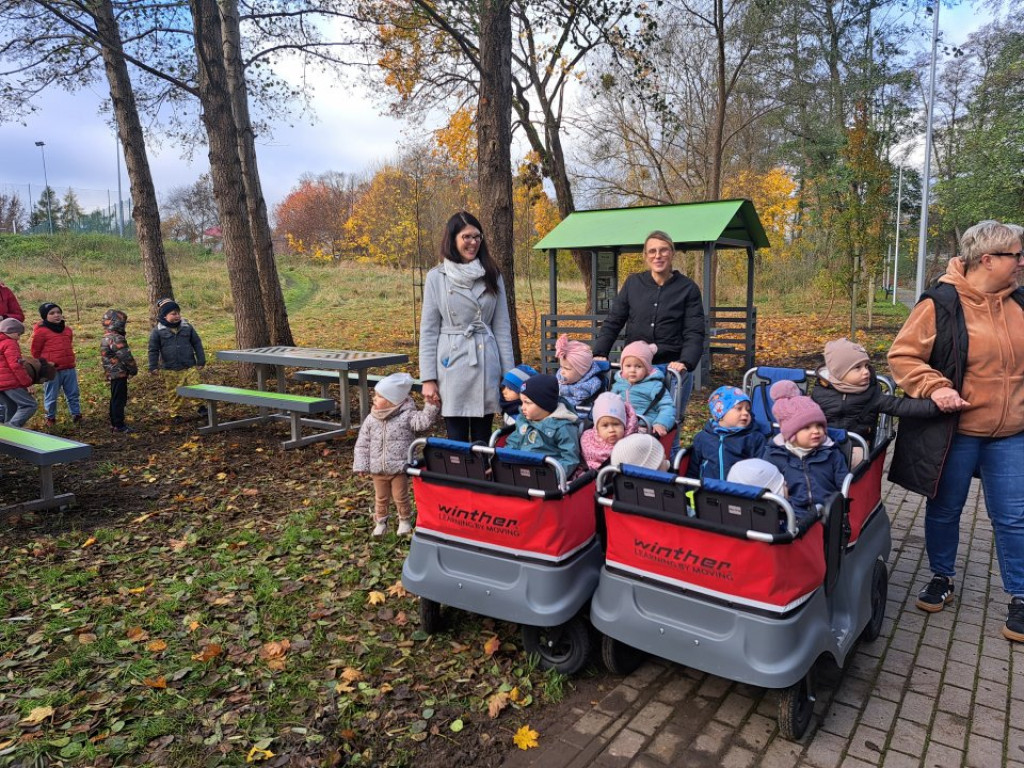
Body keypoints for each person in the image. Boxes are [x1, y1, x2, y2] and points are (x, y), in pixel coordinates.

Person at [887, 220, 1024, 642]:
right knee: (945, 509)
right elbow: (903, 356)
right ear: (987, 259)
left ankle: (1019, 597)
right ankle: (941, 577)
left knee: (1014, 517)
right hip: (957, 431)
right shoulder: (941, 302)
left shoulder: (1021, 301)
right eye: (1015, 255)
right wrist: (937, 387)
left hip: (1012, 431)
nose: (1021, 262)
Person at [419, 211, 515, 443]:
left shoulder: (492, 274)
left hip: (486, 360)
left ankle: (482, 476)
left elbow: (502, 328)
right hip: (452, 364)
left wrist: (510, 377)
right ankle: (458, 479)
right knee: (456, 439)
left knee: (484, 437)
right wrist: (428, 379)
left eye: (477, 236)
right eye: (466, 237)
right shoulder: (436, 277)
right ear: (453, 239)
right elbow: (429, 330)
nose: (473, 242)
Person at [593, 230, 705, 412]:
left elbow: (694, 330)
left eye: (663, 250)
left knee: (669, 425)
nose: (658, 256)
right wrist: (600, 352)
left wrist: (686, 361)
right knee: (632, 421)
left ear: (672, 253)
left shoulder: (688, 288)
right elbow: (614, 320)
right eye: (652, 251)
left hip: (672, 367)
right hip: (636, 368)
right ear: (645, 256)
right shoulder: (633, 283)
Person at [811, 337, 937, 451]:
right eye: (858, 368)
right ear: (839, 372)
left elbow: (901, 406)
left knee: (856, 455)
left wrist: (936, 406)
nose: (866, 372)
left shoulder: (871, 394)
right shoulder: (821, 391)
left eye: (866, 366)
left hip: (856, 446)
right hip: (822, 444)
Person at [353, 372, 439, 537]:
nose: (374, 399)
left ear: (392, 401)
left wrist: (431, 406)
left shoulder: (406, 416)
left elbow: (423, 422)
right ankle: (381, 521)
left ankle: (405, 520)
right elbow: (363, 443)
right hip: (377, 468)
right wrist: (361, 464)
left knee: (400, 496)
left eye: (379, 396)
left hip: (399, 467)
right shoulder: (371, 419)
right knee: (381, 497)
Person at [761, 380, 848, 522]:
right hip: (790, 514)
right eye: (807, 428)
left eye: (819, 425)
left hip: (827, 512)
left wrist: (839, 507)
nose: (816, 431)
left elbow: (843, 483)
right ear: (791, 433)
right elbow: (767, 487)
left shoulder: (831, 452)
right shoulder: (774, 454)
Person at [505, 374, 581, 477]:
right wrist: (504, 463)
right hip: (521, 471)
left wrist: (554, 478)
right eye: (522, 402)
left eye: (527, 402)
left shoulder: (563, 427)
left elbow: (570, 459)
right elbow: (513, 443)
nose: (523, 407)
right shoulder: (523, 420)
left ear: (544, 404)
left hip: (546, 474)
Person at [685, 386, 766, 481]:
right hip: (707, 490)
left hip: (741, 491)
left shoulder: (753, 438)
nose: (745, 413)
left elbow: (762, 471)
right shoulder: (703, 438)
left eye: (748, 409)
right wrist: (690, 489)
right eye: (739, 408)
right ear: (721, 414)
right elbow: (693, 469)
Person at [148, 298, 206, 420]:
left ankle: (200, 406)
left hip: (189, 365)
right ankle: (175, 413)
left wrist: (201, 360)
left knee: (195, 385)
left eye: (178, 313)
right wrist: (153, 366)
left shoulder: (187, 327)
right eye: (173, 314)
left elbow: (197, 343)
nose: (177, 316)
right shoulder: (158, 331)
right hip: (170, 368)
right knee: (174, 392)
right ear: (164, 316)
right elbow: (153, 350)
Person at [31, 302, 82, 427]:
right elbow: (35, 352)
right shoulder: (41, 332)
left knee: (73, 393)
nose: (56, 315)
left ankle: (76, 415)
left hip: (69, 367)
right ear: (45, 316)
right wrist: (45, 364)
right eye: (52, 313)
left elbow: (68, 344)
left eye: (58, 312)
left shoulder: (67, 330)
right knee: (51, 395)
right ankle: (50, 417)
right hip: (52, 369)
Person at [611, 341, 674, 436]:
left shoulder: (654, 385)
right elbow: (609, 403)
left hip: (643, 427)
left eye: (638, 366)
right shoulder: (618, 384)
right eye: (628, 366)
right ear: (622, 367)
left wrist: (661, 423)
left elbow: (667, 406)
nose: (632, 370)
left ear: (647, 369)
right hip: (621, 426)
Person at [100, 309, 138, 433]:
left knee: (115, 397)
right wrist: (133, 369)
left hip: (112, 372)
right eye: (123, 322)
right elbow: (126, 356)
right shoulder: (116, 338)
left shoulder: (106, 337)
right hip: (118, 372)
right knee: (119, 399)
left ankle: (114, 422)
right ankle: (119, 424)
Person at [581, 391, 638, 470]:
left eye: (616, 424)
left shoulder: (633, 443)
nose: (611, 430)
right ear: (597, 428)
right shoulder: (588, 440)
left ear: (624, 424)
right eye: (605, 425)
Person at [0, 318, 38, 428]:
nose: (19, 337)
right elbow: (16, 366)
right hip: (9, 383)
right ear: (12, 332)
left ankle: (7, 438)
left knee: (11, 407)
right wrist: (27, 383)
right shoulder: (10, 343)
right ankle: (12, 427)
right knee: (30, 405)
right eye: (19, 334)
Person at [555, 334, 604, 411]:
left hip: (579, 414)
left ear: (582, 371)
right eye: (561, 367)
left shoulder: (590, 385)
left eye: (567, 368)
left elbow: (576, 403)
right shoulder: (560, 377)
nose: (562, 371)